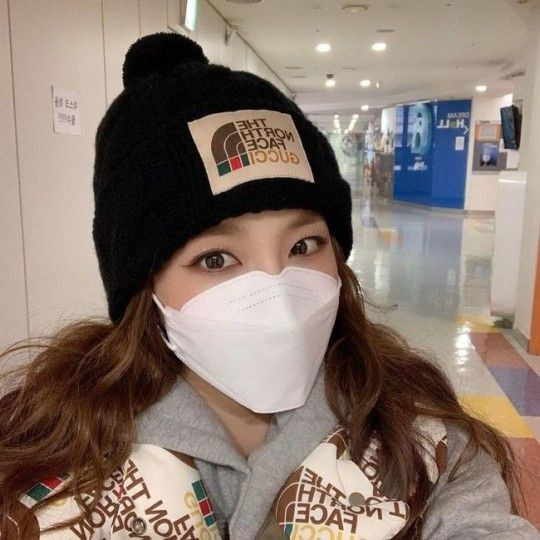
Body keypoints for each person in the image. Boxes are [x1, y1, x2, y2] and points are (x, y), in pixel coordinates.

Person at [0, 33, 538, 540]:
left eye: (304, 245)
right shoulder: (46, 444)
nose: (278, 293)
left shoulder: (415, 428)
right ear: (144, 288)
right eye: (216, 258)